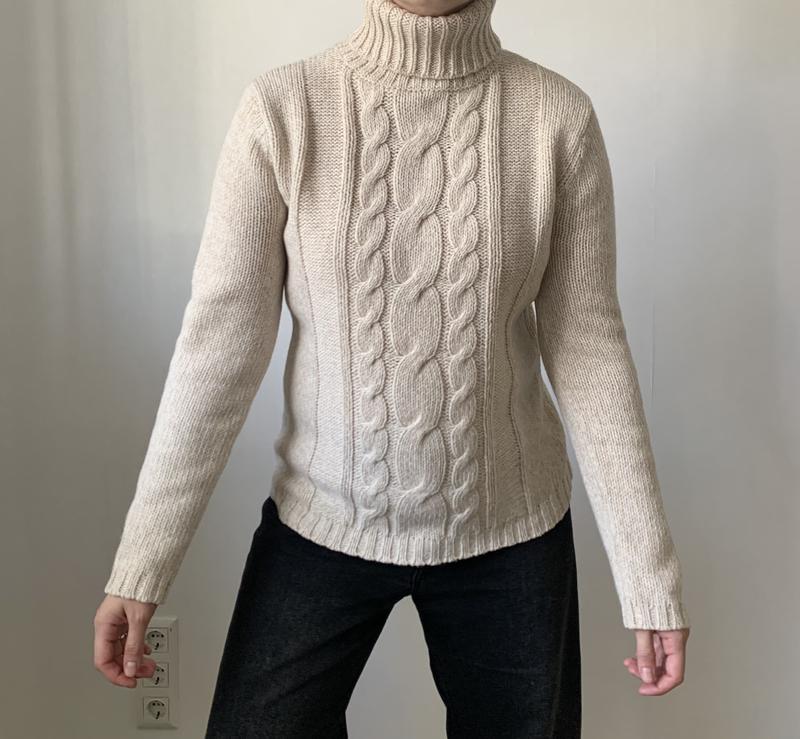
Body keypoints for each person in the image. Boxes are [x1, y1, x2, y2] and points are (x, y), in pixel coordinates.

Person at [93, 0, 691, 735]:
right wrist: (143, 562)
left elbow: (589, 347)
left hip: (509, 533)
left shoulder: (555, 118)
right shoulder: (285, 109)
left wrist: (648, 578)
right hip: (321, 521)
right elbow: (218, 350)